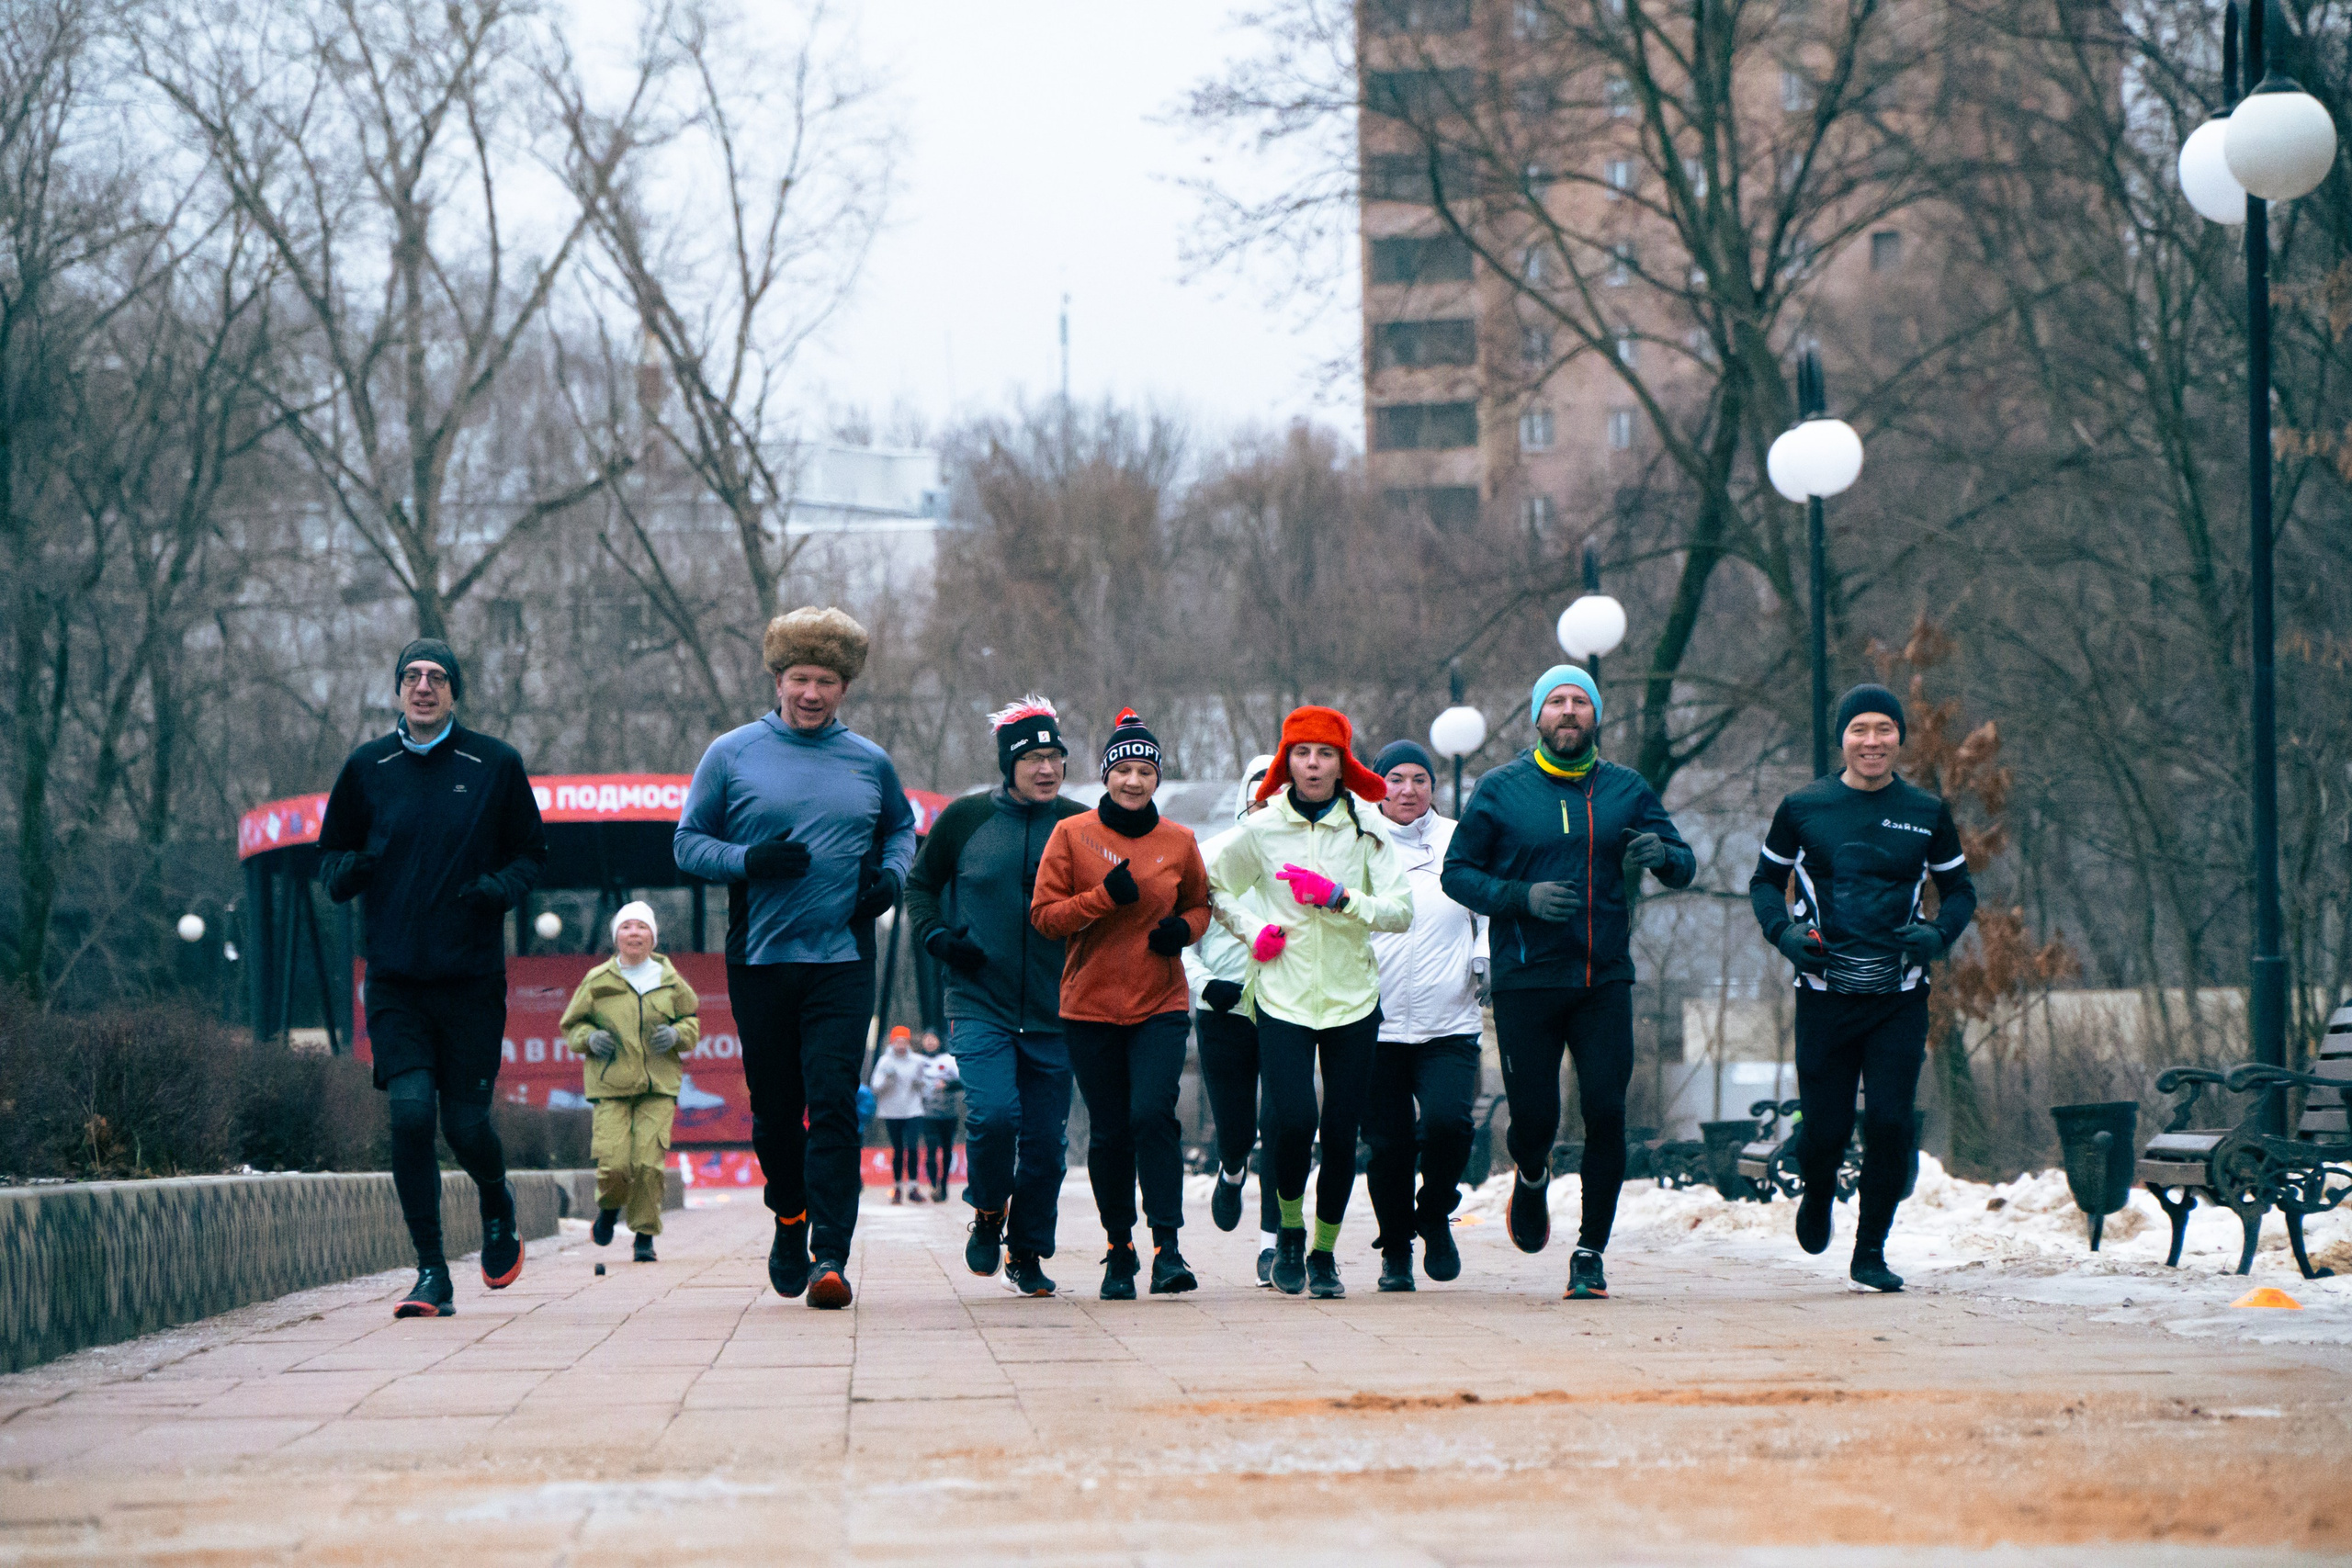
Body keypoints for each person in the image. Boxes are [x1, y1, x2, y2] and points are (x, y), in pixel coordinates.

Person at [674, 606, 917, 1310]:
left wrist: (892, 879)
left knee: (835, 1101)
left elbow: (901, 827)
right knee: (777, 1112)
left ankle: (831, 1254)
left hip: (842, 956)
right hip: (761, 956)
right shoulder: (732, 753)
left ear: (845, 688)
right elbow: (688, 843)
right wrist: (748, 859)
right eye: (801, 678)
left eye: (829, 681)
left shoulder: (869, 761)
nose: (812, 693)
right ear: (778, 679)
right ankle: (789, 1215)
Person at [1441, 666, 1694, 1301]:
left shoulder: (1627, 789)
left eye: (1581, 700)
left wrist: (1662, 856)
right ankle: (1531, 1174)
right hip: (1528, 979)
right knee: (1536, 1117)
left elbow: (1683, 862)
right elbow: (1457, 873)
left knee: (1607, 1109)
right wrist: (1520, 896)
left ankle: (1590, 1251)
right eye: (1557, 701)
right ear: (1538, 717)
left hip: (1602, 976)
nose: (1569, 710)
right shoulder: (1501, 790)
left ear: (1596, 716)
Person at [317, 637, 548, 1319]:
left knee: (467, 1124)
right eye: (411, 676)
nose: (423, 686)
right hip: (395, 979)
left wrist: (496, 889)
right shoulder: (367, 766)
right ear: (396, 690)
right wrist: (349, 870)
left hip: (471, 979)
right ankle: (430, 1271)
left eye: (437, 677)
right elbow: (331, 857)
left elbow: (532, 852)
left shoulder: (494, 763)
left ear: (454, 691)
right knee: (412, 1116)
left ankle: (496, 1195)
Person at [1749, 682, 1976, 1292]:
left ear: (1900, 737)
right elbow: (1765, 883)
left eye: (1883, 729)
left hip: (1898, 997)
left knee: (1891, 1124)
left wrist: (1939, 935)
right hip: (1824, 995)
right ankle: (1817, 1190)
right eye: (1860, 730)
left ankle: (1870, 1250)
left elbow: (1960, 892)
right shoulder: (1803, 807)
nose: (1872, 741)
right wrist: (1785, 935)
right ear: (1843, 739)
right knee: (1824, 1130)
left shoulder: (1926, 811)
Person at [1207, 706, 1412, 1300]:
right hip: (1283, 995)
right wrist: (1253, 930)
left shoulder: (1367, 827)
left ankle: (1324, 1252)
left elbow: (1401, 910)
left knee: (1343, 1130)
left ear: (1342, 762)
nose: (1314, 763)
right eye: (1302, 752)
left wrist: (1343, 897)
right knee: (1292, 1120)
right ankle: (1289, 1233)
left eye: (1325, 753)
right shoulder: (1262, 826)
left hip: (1352, 998)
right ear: (1286, 761)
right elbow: (1216, 887)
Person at [902, 694, 1089, 1295]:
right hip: (979, 999)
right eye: (1033, 757)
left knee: (1045, 1148)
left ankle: (1028, 1251)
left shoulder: (1082, 823)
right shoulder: (964, 819)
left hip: (1058, 1008)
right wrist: (937, 936)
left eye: (1055, 756)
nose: (1046, 768)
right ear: (1009, 764)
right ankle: (987, 1213)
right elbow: (920, 885)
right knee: (992, 1115)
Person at [1031, 709, 1212, 1301]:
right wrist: (1102, 898)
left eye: (1145, 771)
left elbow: (1201, 906)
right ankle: (1119, 1248)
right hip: (1089, 1005)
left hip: (1158, 1001)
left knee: (1151, 1115)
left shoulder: (1180, 841)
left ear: (1158, 778)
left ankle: (1169, 1248)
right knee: (1109, 1131)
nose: (1134, 781)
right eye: (1123, 770)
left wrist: (1180, 933)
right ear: (1107, 775)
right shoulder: (1072, 835)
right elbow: (1045, 917)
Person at [1363, 739, 1489, 1292]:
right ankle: (1395, 1251)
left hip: (1450, 1019)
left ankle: (1434, 1211)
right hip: (1373, 1021)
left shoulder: (1461, 838)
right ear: (1378, 785)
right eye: (1395, 779)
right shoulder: (1358, 840)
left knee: (1450, 1125)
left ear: (1433, 788)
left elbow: (1487, 906)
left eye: (1419, 779)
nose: (1407, 790)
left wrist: (1484, 956)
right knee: (1387, 1145)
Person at [1184, 753, 1283, 1286]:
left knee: (1284, 1123)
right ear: (1246, 796)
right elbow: (1181, 936)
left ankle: (1273, 1241)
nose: (1269, 799)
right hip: (1221, 1007)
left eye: (1280, 789)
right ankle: (1231, 1166)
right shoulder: (1209, 855)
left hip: (1287, 1007)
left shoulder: (1308, 857)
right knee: (1238, 1126)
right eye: (1260, 789)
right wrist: (1205, 986)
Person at [560, 901, 700, 1264]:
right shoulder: (597, 980)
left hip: (659, 1085)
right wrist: (589, 1039)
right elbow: (573, 1025)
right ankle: (608, 1210)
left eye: (641, 927)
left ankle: (644, 1237)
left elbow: (691, 1019)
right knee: (615, 1164)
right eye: (626, 927)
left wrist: (677, 1033)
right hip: (612, 1087)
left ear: (653, 937)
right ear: (616, 936)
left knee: (648, 1165)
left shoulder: (670, 980)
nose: (634, 933)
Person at [871, 1026, 927, 1203]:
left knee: (912, 1148)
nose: (901, 1045)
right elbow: (875, 1087)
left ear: (908, 1042)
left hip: (912, 1110)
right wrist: (888, 1079)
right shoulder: (885, 1061)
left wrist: (920, 1082)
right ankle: (897, 1187)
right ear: (892, 1042)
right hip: (891, 1111)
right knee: (898, 1149)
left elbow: (926, 1084)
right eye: (898, 1041)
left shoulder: (917, 1061)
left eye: (904, 1041)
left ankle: (913, 1186)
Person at [917, 1032, 962, 1202]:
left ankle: (944, 1185)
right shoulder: (917, 1061)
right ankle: (934, 1184)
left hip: (949, 1114)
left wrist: (947, 1085)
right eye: (926, 1038)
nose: (929, 1042)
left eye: (933, 1038)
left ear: (939, 1041)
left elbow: (963, 1082)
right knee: (930, 1151)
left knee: (947, 1151)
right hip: (927, 1113)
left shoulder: (949, 1060)